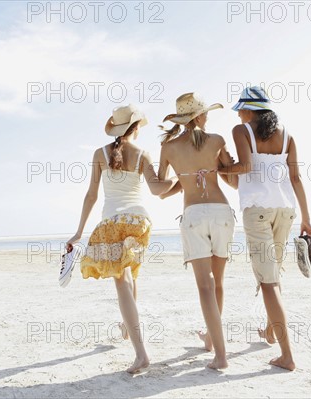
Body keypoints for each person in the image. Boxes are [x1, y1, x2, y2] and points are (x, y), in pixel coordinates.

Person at [66, 104, 176, 374]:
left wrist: (80, 231)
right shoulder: (142, 154)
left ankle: (141, 354)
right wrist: (181, 180)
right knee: (131, 277)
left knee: (122, 282)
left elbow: (91, 196)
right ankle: (128, 328)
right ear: (136, 128)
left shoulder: (99, 154)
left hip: (112, 222)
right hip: (139, 221)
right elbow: (157, 189)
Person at [219, 86, 311, 371]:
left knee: (268, 280)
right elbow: (296, 178)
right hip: (286, 210)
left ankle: (287, 355)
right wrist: (307, 219)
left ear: (250, 110)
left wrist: (217, 170)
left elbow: (245, 168)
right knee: (273, 273)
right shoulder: (287, 136)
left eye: (240, 110)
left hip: (258, 210)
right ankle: (271, 332)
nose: (238, 115)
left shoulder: (242, 132)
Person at [158, 93, 237, 370]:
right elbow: (234, 180)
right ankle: (212, 343)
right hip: (221, 213)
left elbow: (161, 188)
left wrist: (182, 181)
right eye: (206, 113)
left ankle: (221, 355)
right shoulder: (217, 140)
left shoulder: (168, 147)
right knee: (218, 283)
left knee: (204, 285)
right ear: (200, 116)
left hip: (193, 215)